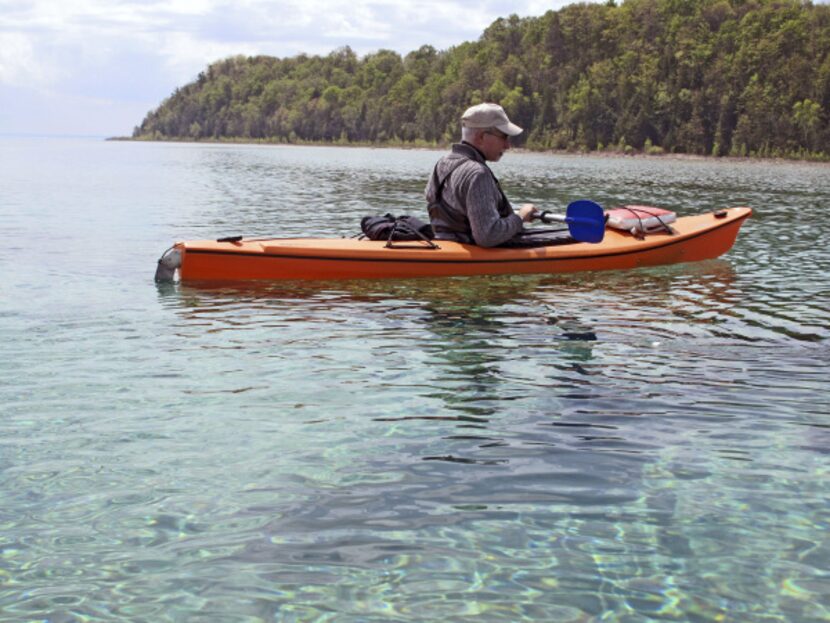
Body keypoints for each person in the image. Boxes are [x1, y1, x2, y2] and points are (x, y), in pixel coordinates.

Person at [425, 103, 536, 247]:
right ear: (482, 137)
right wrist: (520, 217)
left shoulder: (442, 164)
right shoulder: (478, 174)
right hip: (468, 257)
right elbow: (487, 236)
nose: (507, 145)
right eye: (503, 137)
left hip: (446, 246)